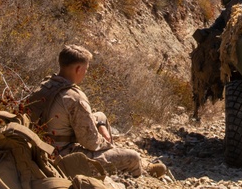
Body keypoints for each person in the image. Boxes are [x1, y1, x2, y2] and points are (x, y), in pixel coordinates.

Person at [28, 45, 163, 178]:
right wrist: (107, 143)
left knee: (100, 117)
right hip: (62, 158)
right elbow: (91, 142)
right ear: (78, 68)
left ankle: (120, 158)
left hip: (41, 147)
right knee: (132, 157)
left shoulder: (46, 84)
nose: (85, 73)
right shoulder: (74, 98)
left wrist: (99, 124)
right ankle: (139, 171)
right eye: (85, 69)